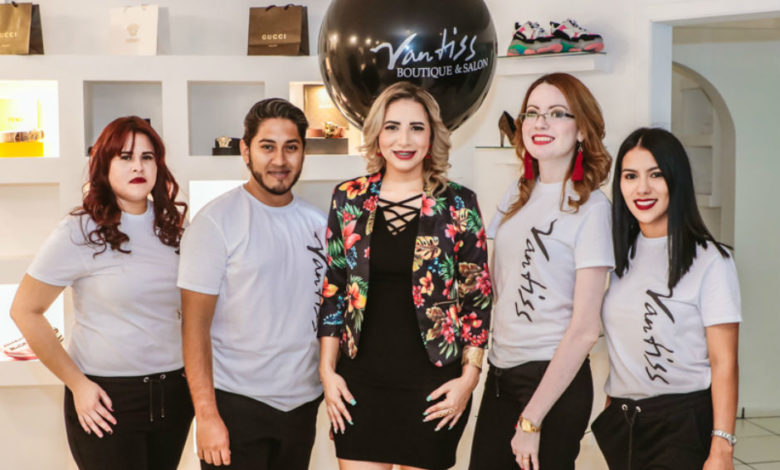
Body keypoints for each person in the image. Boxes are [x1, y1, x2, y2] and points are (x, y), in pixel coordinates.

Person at [318, 81, 492, 470]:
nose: (404, 140)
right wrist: (327, 372)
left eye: (416, 128)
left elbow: (477, 298)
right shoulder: (348, 198)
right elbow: (334, 289)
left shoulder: (459, 203)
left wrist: (469, 380)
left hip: (434, 385)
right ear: (377, 134)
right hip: (359, 382)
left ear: (432, 136)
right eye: (392, 127)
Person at [10, 116, 192, 470]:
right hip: (105, 399)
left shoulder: (175, 227)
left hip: (173, 395)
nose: (138, 166)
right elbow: (24, 310)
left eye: (147, 157)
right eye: (125, 157)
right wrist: (78, 385)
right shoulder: (79, 230)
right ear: (104, 166)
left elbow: (193, 310)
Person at [469, 72, 613, 470]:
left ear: (582, 129)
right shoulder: (517, 194)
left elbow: (585, 329)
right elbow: (497, 287)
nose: (540, 122)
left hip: (553, 381)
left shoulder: (592, 208)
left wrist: (531, 420)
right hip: (500, 373)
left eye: (557, 113)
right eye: (531, 113)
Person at [178, 98, 326, 470]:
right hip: (235, 407)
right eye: (267, 147)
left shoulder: (319, 224)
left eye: (291, 147)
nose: (280, 160)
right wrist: (206, 416)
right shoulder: (215, 223)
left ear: (303, 152)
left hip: (302, 406)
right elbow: (194, 328)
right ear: (245, 151)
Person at [592, 127, 741, 470]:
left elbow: (725, 362)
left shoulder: (711, 261)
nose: (642, 188)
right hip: (625, 423)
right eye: (630, 176)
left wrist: (722, 447)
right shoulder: (618, 256)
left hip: (682, 424)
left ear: (677, 179)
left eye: (656, 174)